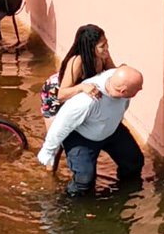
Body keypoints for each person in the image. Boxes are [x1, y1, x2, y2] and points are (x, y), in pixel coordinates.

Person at [38, 65, 145, 197]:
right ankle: (70, 201)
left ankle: (124, 193)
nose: (141, 89)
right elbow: (61, 124)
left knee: (134, 162)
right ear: (123, 91)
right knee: (84, 180)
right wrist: (48, 150)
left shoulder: (118, 78)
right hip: (82, 137)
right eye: (138, 89)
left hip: (111, 129)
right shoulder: (86, 101)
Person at [40, 24, 116, 123]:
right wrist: (82, 87)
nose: (107, 47)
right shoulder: (77, 61)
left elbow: (113, 74)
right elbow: (61, 95)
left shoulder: (103, 55)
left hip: (74, 92)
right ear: (91, 48)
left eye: (106, 43)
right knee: (55, 131)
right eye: (102, 46)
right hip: (54, 94)